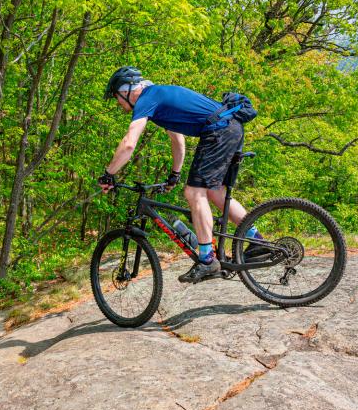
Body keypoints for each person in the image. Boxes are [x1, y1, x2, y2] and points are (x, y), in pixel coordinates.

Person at [98, 66, 264, 284]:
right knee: (214, 192)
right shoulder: (160, 97)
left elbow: (129, 144)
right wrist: (174, 174)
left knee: (194, 192)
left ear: (128, 90)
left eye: (118, 98)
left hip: (219, 130)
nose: (119, 104)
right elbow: (178, 141)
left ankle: (207, 260)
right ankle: (257, 240)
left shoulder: (147, 99)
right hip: (229, 127)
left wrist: (108, 174)